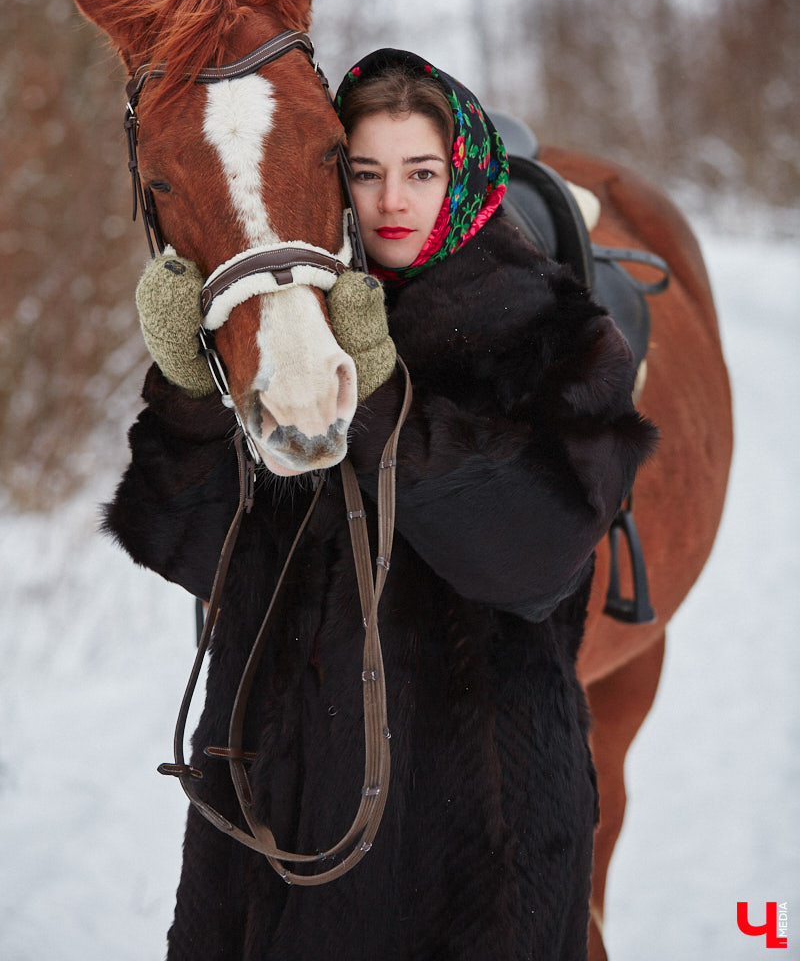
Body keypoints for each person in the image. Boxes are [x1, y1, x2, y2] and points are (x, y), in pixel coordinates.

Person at [105, 48, 656, 961]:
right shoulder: (287, 330)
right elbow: (188, 549)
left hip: (475, 839)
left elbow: (531, 560)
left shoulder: (552, 332)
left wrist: (379, 398)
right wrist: (190, 388)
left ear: (466, 174)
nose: (392, 203)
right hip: (275, 814)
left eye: (420, 173)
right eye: (364, 174)